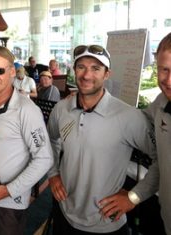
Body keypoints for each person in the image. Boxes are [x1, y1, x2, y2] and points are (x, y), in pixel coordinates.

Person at [47, 44, 156, 234]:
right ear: (74, 70)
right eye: (81, 67)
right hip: (64, 212)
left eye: (96, 68)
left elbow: (164, 159)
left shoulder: (129, 116)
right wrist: (53, 174)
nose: (87, 75)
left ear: (107, 74)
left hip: (105, 223)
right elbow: (51, 141)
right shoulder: (61, 109)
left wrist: (133, 197)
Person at [0, 45, 53, 235]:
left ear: (12, 71)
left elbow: (45, 158)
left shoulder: (27, 110)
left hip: (9, 206)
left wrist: (9, 190)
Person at [100, 33, 171, 235]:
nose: (168, 80)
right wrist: (96, 102)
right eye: (164, 70)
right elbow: (162, 164)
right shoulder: (161, 103)